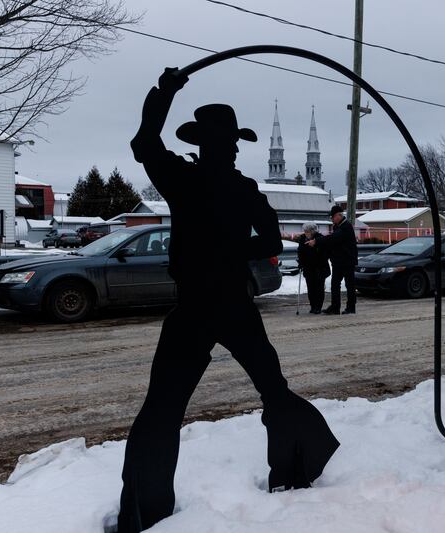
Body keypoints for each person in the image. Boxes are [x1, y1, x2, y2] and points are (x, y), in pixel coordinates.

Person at [114, 67, 339, 533]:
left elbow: (145, 140)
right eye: (232, 142)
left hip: (201, 305)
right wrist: (236, 250)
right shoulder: (238, 188)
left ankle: (146, 510)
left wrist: (164, 92)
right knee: (266, 389)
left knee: (164, 407)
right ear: (224, 144)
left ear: (201, 143)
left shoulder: (183, 179)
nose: (234, 149)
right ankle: (293, 468)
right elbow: (273, 241)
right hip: (228, 304)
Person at [307, 205, 358, 314]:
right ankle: (335, 307)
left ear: (339, 215)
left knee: (349, 285)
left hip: (348, 261)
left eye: (333, 216)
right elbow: (332, 242)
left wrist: (316, 241)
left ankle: (351, 307)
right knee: (335, 284)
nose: (332, 219)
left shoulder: (346, 227)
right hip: (338, 261)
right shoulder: (337, 227)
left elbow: (333, 238)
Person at [297, 222, 330, 313]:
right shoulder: (302, 239)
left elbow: (325, 253)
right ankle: (312, 306)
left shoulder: (320, 238)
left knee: (319, 288)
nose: (305, 233)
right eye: (305, 231)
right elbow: (300, 252)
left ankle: (318, 307)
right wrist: (301, 262)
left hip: (319, 268)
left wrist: (315, 247)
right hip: (308, 267)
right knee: (310, 288)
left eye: (307, 231)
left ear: (312, 231)